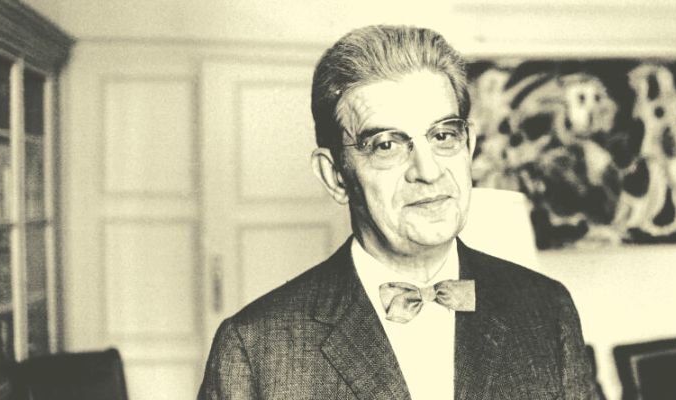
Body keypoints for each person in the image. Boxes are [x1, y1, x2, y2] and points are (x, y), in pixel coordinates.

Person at [199, 24, 598, 400]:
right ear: (335, 176)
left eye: (443, 136)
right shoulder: (256, 347)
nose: (428, 171)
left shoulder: (547, 309)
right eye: (386, 145)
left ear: (469, 146)